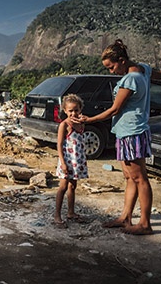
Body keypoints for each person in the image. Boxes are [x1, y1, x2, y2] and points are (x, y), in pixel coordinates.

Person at [79, 39, 161, 235]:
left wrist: (89, 119)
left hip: (131, 132)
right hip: (128, 131)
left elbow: (114, 109)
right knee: (129, 177)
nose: (111, 72)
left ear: (121, 60)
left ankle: (145, 224)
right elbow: (159, 75)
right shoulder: (143, 69)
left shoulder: (130, 80)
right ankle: (125, 217)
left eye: (112, 67)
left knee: (139, 177)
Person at [54, 94, 89, 228]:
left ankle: (71, 212)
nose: (73, 113)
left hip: (77, 160)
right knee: (63, 187)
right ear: (65, 110)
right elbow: (59, 144)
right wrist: (62, 163)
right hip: (67, 160)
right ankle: (57, 215)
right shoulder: (64, 125)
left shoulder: (81, 124)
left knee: (72, 186)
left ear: (80, 110)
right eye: (70, 110)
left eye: (76, 110)